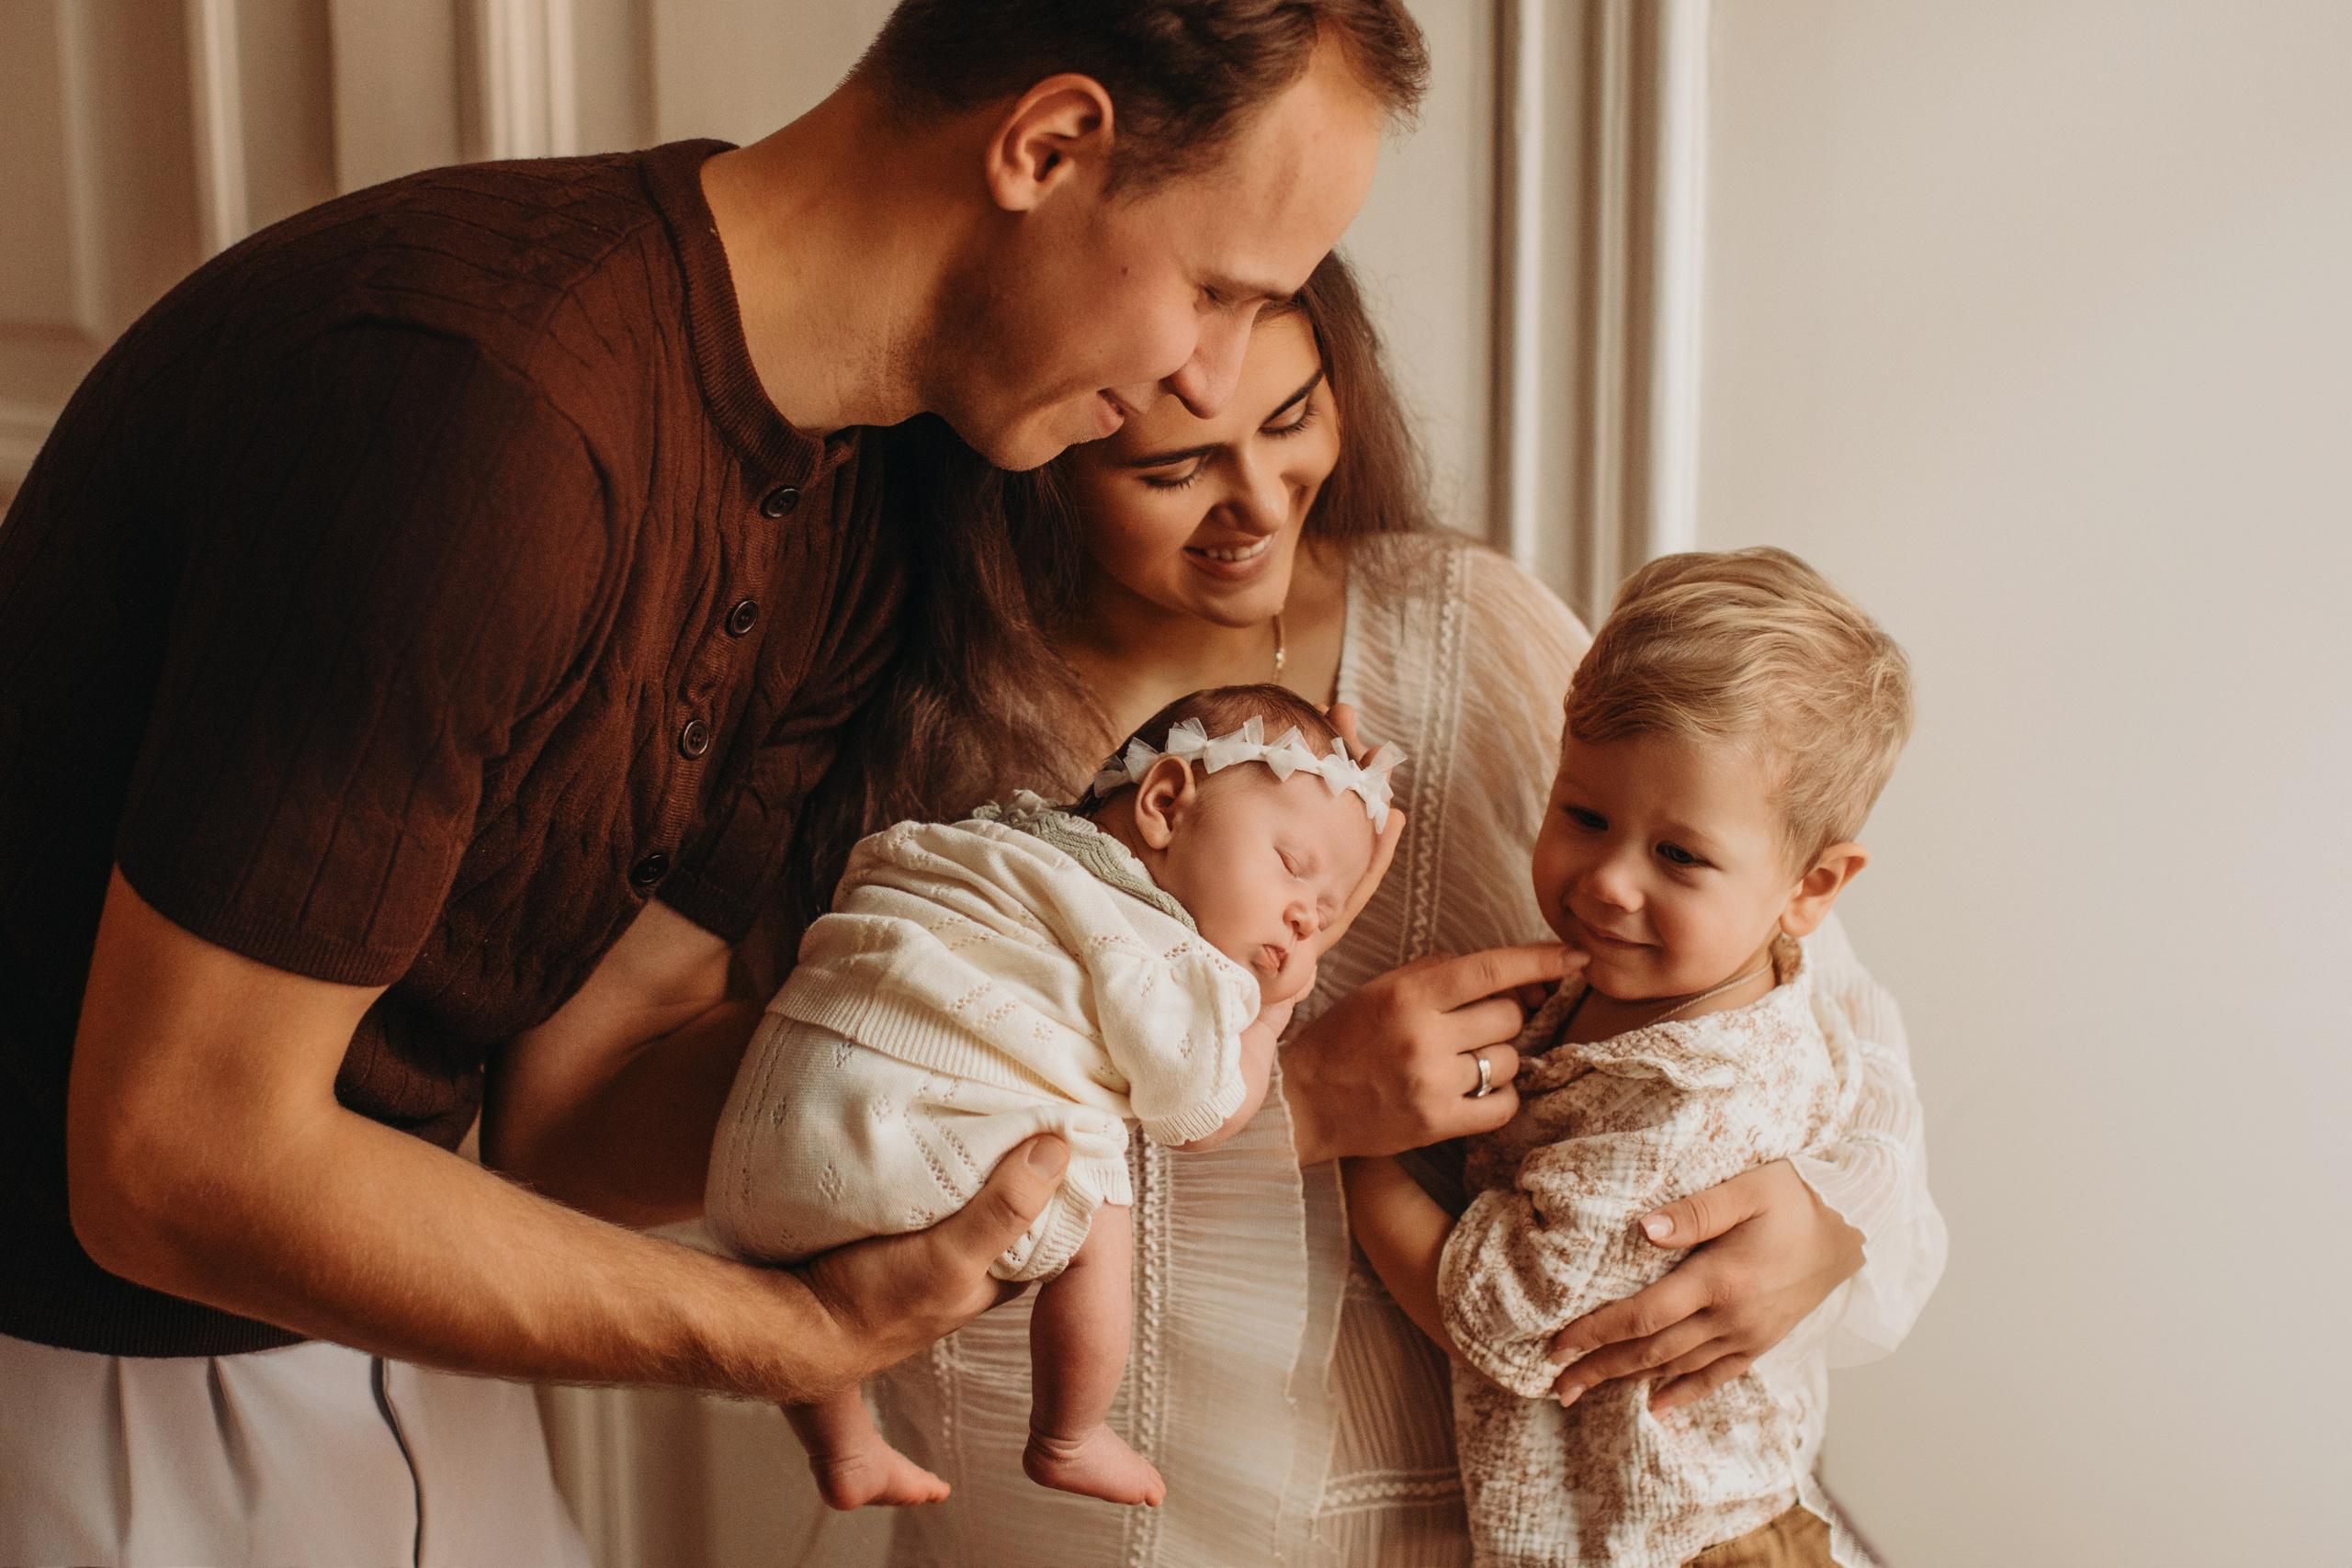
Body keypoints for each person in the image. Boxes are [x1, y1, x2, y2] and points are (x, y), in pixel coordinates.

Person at [0, 4, 1432, 1562]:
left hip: (377, 1324)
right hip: (82, 1369)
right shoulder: (482, 413)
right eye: (1218, 288)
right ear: (1048, 146)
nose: (1199, 374)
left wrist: (1027, 1002)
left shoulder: (862, 496)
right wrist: (772, 1334)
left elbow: (577, 1110)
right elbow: (170, 1159)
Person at [838, 254, 1945, 1565]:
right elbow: (881, 1187)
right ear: (1036, 446)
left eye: (1294, 417)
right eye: (1172, 466)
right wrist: (1297, 1109)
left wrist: (1831, 1220)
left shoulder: (1472, 629)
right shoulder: (947, 759)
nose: (1255, 502)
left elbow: (1825, 1022)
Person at [1343, 548, 1915, 1567]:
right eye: (1584, 816)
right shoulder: (1645, 984)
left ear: (1812, 886)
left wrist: (1360, 1160)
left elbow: (1507, 1317)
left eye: (1679, 856)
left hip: (1683, 1549)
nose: (1606, 882)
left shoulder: (1692, 1101)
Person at [711, 686, 1395, 1510]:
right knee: (1098, 1209)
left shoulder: (1005, 837)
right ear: (1165, 803)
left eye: (1323, 919)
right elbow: (1201, 1114)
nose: (1304, 923)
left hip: (761, 1136)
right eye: (1293, 867)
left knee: (802, 1288)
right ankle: (1069, 1434)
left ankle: (846, 1446)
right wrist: (1271, 1008)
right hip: (917, 1158)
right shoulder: (1155, 944)